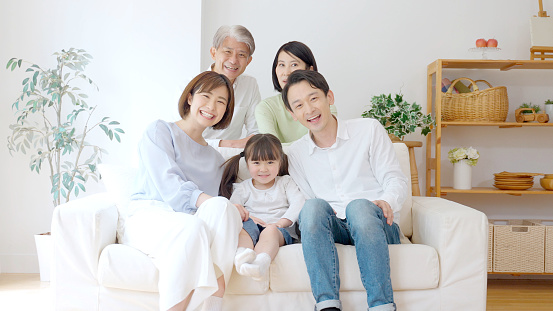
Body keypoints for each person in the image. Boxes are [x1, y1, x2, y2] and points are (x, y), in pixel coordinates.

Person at [282, 70, 409, 311]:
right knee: (312, 207)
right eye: (299, 105)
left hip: (377, 223)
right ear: (292, 114)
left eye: (314, 98)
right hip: (336, 227)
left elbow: (395, 179)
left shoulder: (368, 130)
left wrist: (386, 201)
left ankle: (382, 306)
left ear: (329, 97)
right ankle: (328, 305)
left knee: (359, 207)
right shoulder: (296, 154)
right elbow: (308, 204)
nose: (309, 109)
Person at [122, 71, 248, 311]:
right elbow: (168, 184)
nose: (212, 106)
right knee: (194, 227)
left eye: (221, 102)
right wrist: (210, 202)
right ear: (190, 98)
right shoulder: (159, 131)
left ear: (226, 111)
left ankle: (211, 305)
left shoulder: (214, 159)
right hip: (149, 216)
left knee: (219, 211)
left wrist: (235, 210)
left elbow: (214, 214)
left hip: (191, 228)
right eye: (206, 96)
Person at [219, 134, 305, 281]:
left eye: (270, 162)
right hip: (252, 225)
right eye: (257, 163)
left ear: (280, 162)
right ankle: (242, 256)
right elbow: (234, 209)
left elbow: (299, 203)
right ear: (247, 164)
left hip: (278, 229)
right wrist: (251, 219)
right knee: (242, 230)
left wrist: (280, 223)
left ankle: (260, 263)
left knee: (270, 231)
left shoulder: (285, 182)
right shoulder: (242, 188)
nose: (263, 169)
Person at [255, 41, 337, 145]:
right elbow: (271, 149)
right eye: (281, 65)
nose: (286, 72)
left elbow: (327, 141)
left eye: (294, 64)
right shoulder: (266, 108)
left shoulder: (324, 103)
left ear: (310, 70)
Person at [203, 25, 261, 149]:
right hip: (195, 157)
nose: (233, 61)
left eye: (241, 55)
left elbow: (256, 131)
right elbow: (183, 137)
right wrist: (229, 144)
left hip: (231, 159)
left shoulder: (250, 85)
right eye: (227, 52)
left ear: (248, 61)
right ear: (214, 53)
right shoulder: (190, 86)